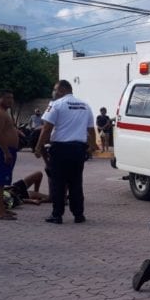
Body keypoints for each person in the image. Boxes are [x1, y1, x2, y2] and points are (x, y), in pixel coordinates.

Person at [34, 79, 96, 224]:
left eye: (55, 89)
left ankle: (57, 215)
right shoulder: (85, 105)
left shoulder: (56, 105)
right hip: (78, 150)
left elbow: (46, 128)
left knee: (58, 183)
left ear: (61, 90)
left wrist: (38, 147)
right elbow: (91, 130)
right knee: (76, 183)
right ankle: (78, 215)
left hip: (60, 149)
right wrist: (92, 146)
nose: (54, 92)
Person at [0, 90, 19, 220]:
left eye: (11, 98)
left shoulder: (3, 112)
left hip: (7, 149)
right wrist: (6, 152)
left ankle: (2, 209)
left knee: (3, 181)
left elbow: (6, 129)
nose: (10, 101)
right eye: (7, 98)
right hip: (2, 150)